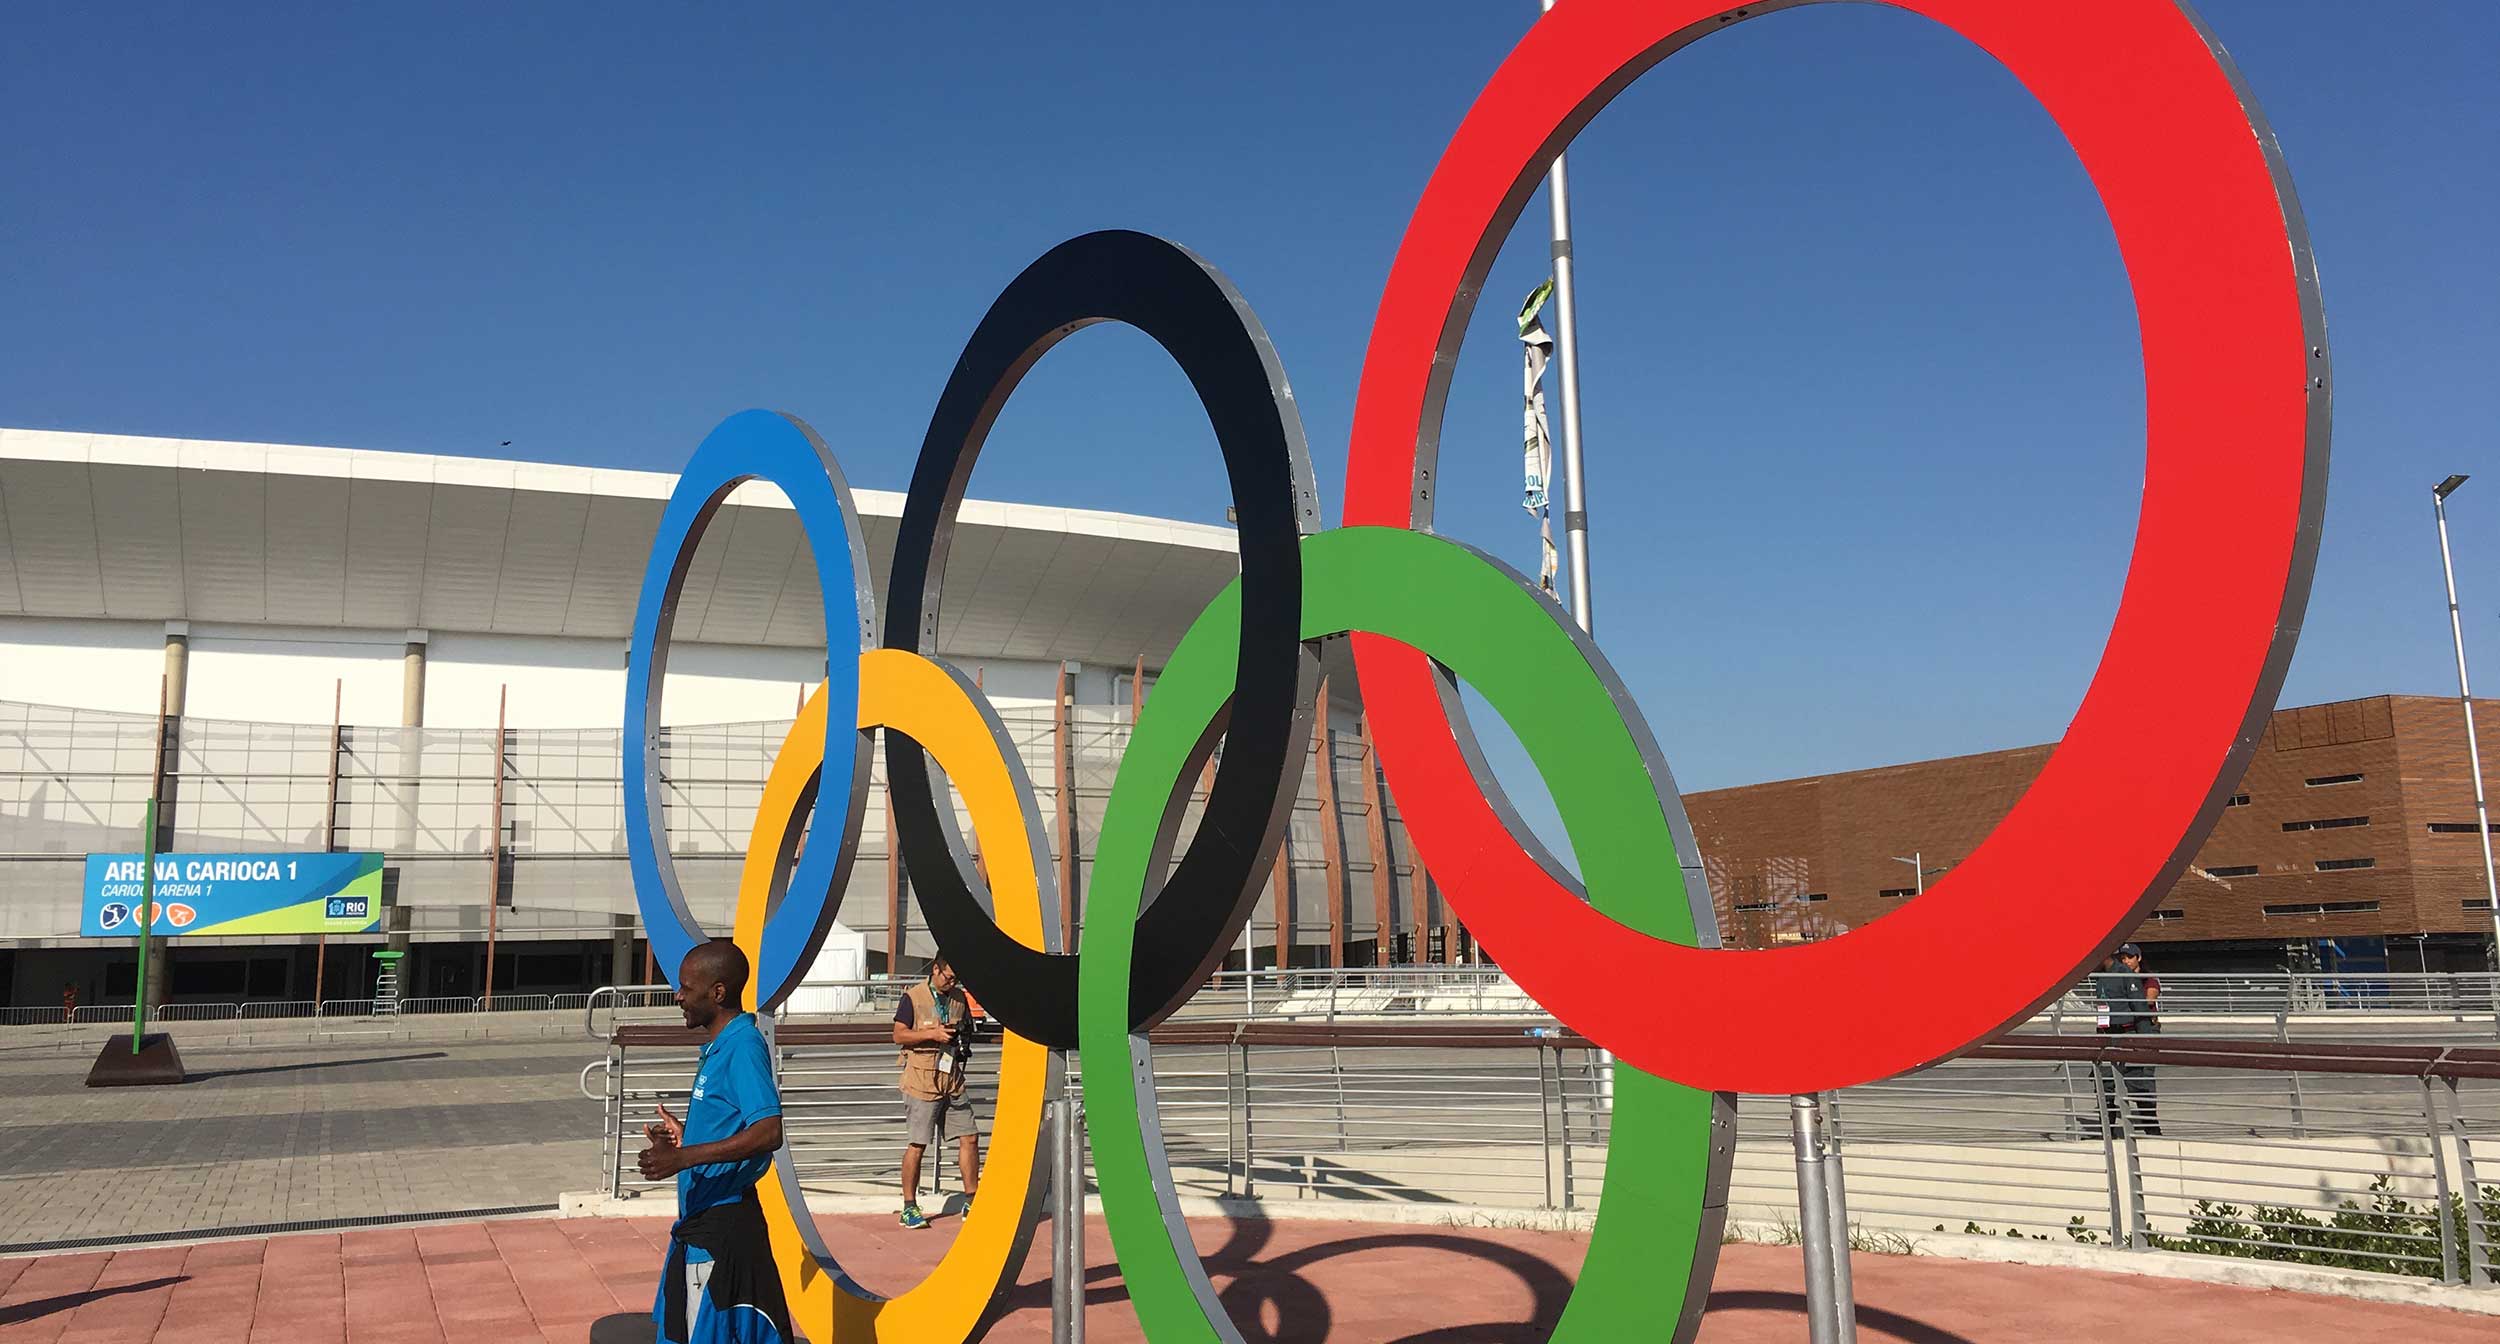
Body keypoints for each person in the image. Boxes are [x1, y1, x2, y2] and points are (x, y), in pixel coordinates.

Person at [635, 939, 792, 1344]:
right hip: (701, 1221)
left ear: (718, 992)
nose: (679, 996)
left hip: (722, 1229)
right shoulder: (720, 1047)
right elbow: (730, 1126)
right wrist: (683, 1138)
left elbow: (768, 1131)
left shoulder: (742, 1045)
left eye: (687, 988)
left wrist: (684, 1157)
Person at [893, 954, 982, 1229]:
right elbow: (898, 1035)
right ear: (935, 969)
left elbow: (966, 1025)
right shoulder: (913, 997)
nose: (951, 982)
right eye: (947, 976)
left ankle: (972, 1198)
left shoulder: (958, 997)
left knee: (969, 1136)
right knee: (918, 1144)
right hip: (921, 1078)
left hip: (951, 1077)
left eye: (955, 978)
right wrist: (931, 1034)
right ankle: (909, 1206)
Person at [2091, 943, 2163, 1136]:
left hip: (2128, 1035)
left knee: (2137, 1083)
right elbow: (2102, 1009)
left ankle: (2152, 1130)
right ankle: (2107, 1131)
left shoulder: (2124, 974)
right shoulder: (2101, 978)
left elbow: (2140, 1009)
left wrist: (2143, 1042)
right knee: (2105, 1083)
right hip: (2107, 1036)